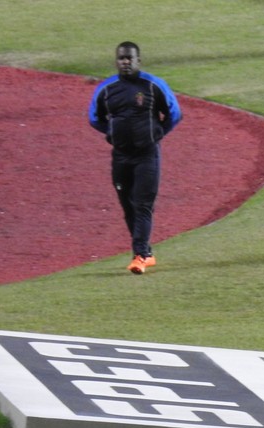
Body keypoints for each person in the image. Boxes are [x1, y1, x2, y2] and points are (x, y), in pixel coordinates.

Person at [88, 41, 182, 274]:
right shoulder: (106, 89)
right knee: (128, 206)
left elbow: (174, 114)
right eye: (121, 58)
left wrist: (158, 133)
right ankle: (146, 253)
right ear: (116, 61)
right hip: (121, 157)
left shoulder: (153, 85)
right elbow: (94, 118)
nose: (125, 62)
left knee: (142, 205)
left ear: (139, 61)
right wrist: (112, 133)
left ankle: (139, 256)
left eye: (130, 58)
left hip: (147, 156)